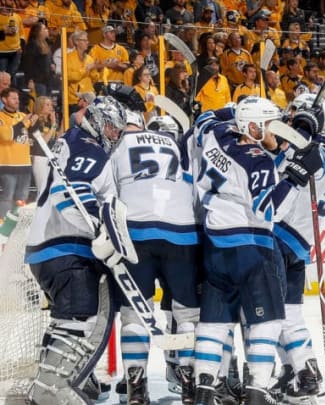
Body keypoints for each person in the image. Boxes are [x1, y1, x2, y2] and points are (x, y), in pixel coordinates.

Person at [191, 97, 322, 405]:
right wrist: (296, 175)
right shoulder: (257, 159)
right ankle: (257, 391)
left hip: (215, 246)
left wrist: (235, 108)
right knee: (269, 320)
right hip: (252, 247)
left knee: (215, 321)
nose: (274, 133)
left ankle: (205, 389)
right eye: (268, 127)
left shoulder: (215, 135)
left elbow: (204, 119)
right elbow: (268, 209)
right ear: (251, 127)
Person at [24, 96, 127, 405]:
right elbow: (69, 193)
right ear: (96, 120)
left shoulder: (74, 139)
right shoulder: (88, 147)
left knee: (69, 320)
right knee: (77, 318)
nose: (114, 136)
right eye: (111, 128)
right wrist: (100, 226)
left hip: (50, 246)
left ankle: (53, 382)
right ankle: (50, 390)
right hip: (65, 245)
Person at [109, 111, 200, 404]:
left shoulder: (121, 145)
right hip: (182, 232)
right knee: (187, 314)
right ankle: (188, 384)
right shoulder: (175, 146)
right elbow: (194, 191)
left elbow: (108, 193)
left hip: (136, 232)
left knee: (134, 314)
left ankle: (136, 387)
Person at [271, 93, 325, 404]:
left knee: (271, 314)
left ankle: (305, 370)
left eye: (299, 114)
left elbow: (317, 165)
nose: (293, 118)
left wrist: (304, 132)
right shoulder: (304, 141)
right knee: (289, 312)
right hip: (296, 238)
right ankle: (296, 372)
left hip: (285, 233)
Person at [0, 87, 36, 216]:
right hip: (7, 165)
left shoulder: (22, 116)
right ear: (4, 100)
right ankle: (2, 226)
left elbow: (31, 135)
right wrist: (23, 123)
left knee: (22, 198)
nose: (17, 101)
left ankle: (17, 224)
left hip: (25, 164)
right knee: (7, 197)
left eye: (18, 98)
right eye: (13, 98)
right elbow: (6, 136)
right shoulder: (1, 117)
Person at [28, 96, 57, 191]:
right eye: (47, 105)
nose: (50, 107)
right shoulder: (35, 120)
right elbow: (43, 142)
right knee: (42, 189)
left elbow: (57, 138)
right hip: (39, 156)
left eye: (51, 105)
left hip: (51, 156)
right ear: (40, 106)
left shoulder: (49, 121)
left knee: (51, 188)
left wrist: (56, 123)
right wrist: (53, 125)